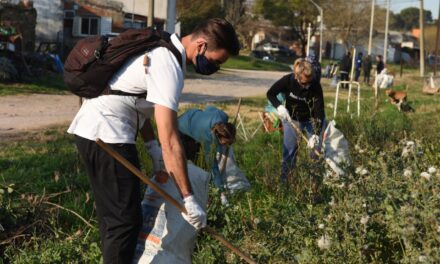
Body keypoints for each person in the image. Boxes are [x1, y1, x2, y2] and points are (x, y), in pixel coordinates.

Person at [67, 18, 240, 263]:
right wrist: (188, 198)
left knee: (116, 219)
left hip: (97, 130)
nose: (215, 67)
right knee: (124, 222)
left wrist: (152, 149)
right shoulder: (168, 65)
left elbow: (138, 103)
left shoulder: (164, 49)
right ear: (201, 45)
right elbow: (169, 138)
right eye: (216, 61)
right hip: (106, 135)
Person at [266, 58, 326, 183]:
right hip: (292, 119)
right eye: (304, 83)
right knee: (289, 152)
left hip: (311, 120)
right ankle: (285, 184)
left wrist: (316, 133)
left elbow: (319, 111)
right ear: (297, 77)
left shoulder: (315, 85)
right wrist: (279, 106)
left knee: (316, 152)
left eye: (309, 82)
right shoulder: (288, 80)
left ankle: (314, 185)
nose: (307, 86)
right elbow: (270, 93)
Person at [177, 106, 236, 206]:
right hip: (180, 129)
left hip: (192, 113)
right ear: (218, 137)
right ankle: (192, 196)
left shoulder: (222, 116)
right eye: (225, 143)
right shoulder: (207, 138)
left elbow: (209, 108)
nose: (227, 145)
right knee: (197, 166)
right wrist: (222, 192)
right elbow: (213, 167)